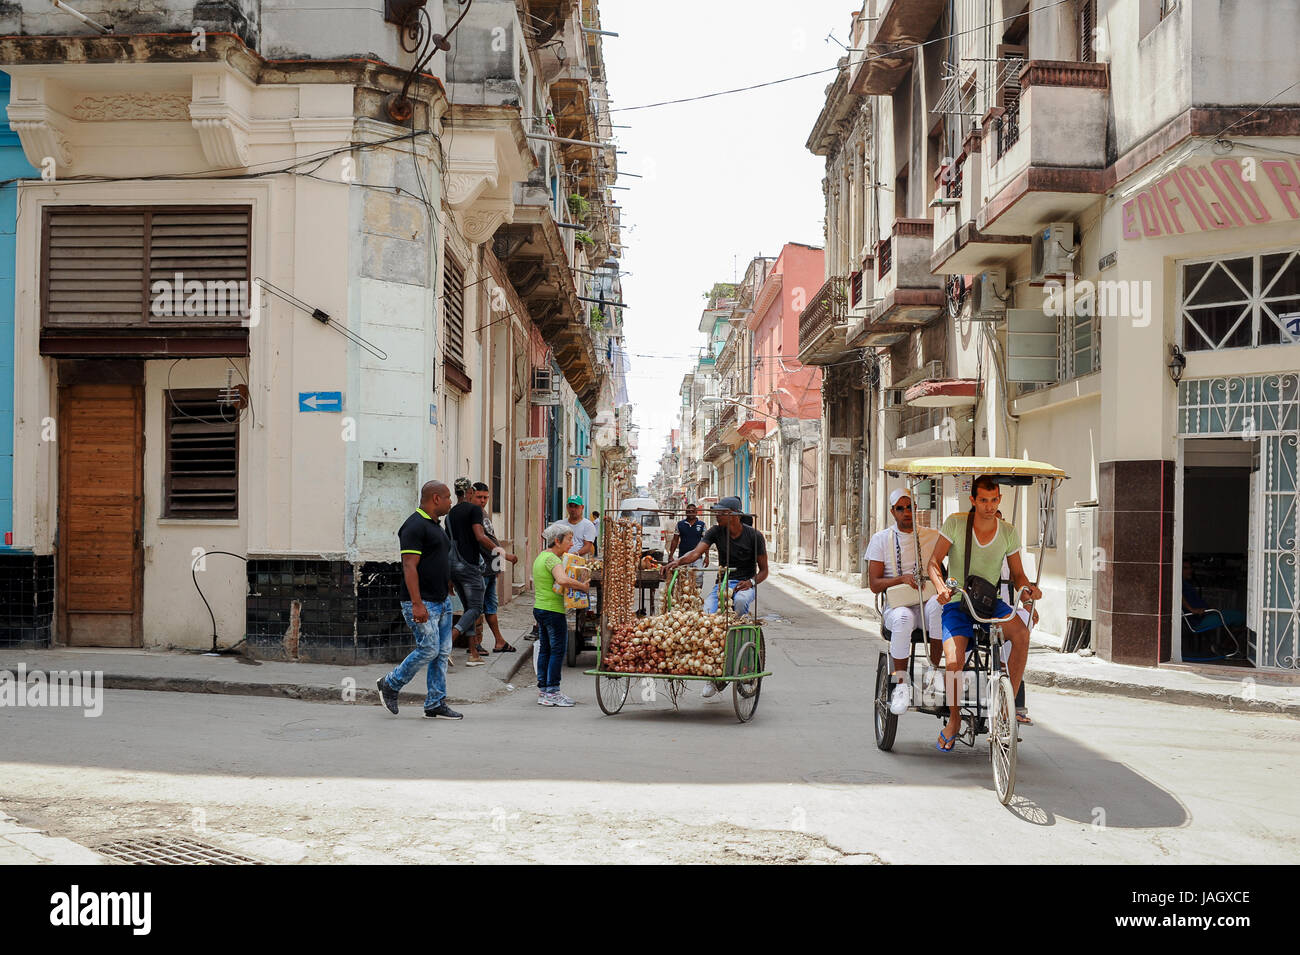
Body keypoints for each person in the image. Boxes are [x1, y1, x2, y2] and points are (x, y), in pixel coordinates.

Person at [927, 475, 1040, 752]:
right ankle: (954, 720)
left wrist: (1027, 592)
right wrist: (941, 588)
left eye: (994, 500)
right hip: (957, 602)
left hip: (991, 603)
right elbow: (933, 562)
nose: (989, 506)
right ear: (973, 500)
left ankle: (1007, 709)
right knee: (953, 662)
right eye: (984, 500)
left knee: (1022, 635)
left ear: (999, 499)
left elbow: (1017, 574)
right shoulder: (955, 523)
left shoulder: (1008, 532)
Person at [375, 481, 462, 720]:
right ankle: (390, 683)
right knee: (429, 649)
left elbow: (436, 559)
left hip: (442, 600)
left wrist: (447, 581)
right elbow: (409, 566)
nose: (450, 502)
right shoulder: (413, 526)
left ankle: (435, 702)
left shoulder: (436, 525)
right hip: (422, 602)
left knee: (442, 653)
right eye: (447, 497)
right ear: (435, 498)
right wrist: (416, 603)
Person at [867, 488, 945, 716]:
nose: (906, 512)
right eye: (900, 508)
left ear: (916, 508)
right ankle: (901, 685)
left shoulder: (931, 536)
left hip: (926, 602)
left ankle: (934, 671)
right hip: (898, 604)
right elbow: (874, 583)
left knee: (940, 607)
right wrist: (901, 579)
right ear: (893, 511)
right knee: (903, 618)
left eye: (910, 507)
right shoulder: (881, 539)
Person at [533, 521, 591, 706]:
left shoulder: (541, 556)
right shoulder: (553, 560)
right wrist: (582, 586)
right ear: (557, 541)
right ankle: (553, 692)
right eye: (569, 539)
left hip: (540, 608)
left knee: (546, 649)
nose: (572, 544)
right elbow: (562, 579)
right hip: (552, 610)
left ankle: (544, 690)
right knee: (557, 651)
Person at [445, 477, 496, 666]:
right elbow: (480, 537)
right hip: (469, 565)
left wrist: (449, 577)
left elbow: (447, 543)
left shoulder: (450, 515)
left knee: (469, 609)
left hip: (453, 566)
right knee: (476, 609)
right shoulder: (474, 510)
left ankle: (473, 653)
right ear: (470, 492)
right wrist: (502, 554)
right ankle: (447, 643)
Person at [473, 482, 518, 654]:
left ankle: (499, 641)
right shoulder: (472, 515)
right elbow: (482, 540)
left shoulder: (483, 514)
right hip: (479, 569)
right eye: (479, 497)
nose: (483, 501)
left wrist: (497, 565)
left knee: (491, 606)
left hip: (490, 568)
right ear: (471, 494)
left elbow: (492, 538)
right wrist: (505, 556)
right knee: (476, 608)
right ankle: (475, 644)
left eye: (485, 497)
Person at [669, 503, 710, 574]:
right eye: (689, 512)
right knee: (682, 578)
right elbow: (675, 540)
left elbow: (705, 541)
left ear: (696, 512)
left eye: (693, 511)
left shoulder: (702, 525)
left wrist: (707, 556)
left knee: (698, 578)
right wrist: (671, 555)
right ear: (686, 513)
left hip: (697, 557)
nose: (691, 513)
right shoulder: (680, 524)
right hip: (683, 557)